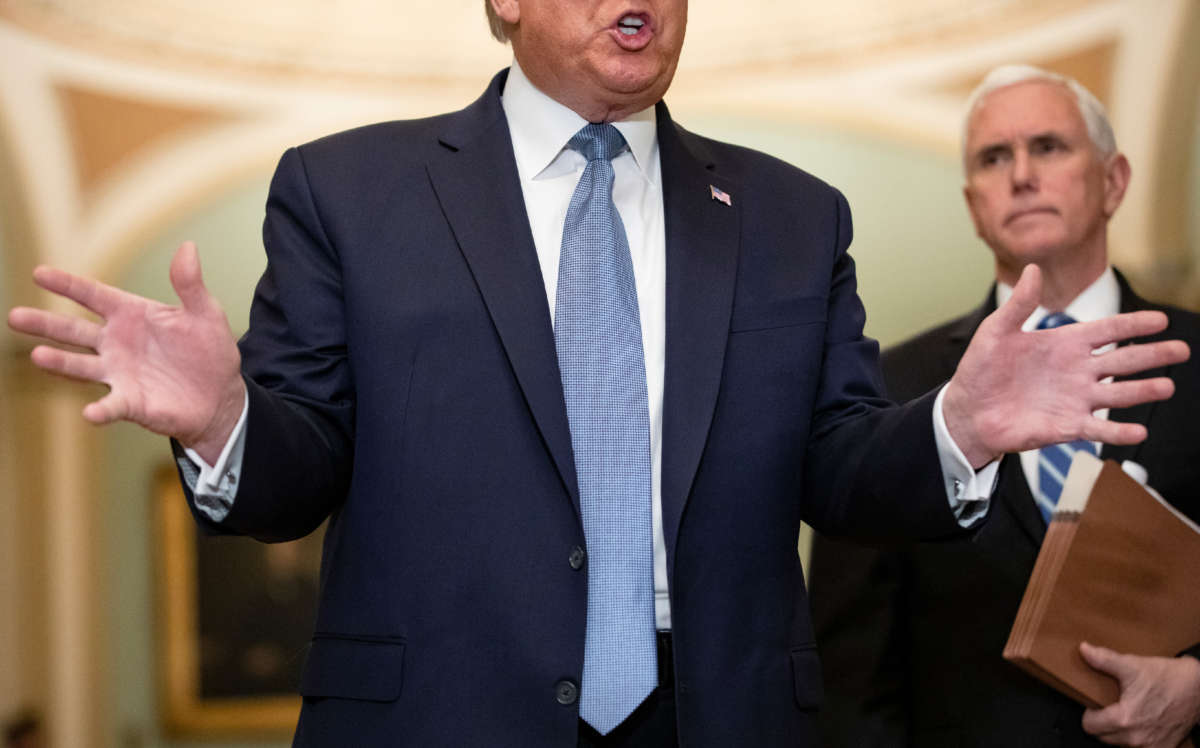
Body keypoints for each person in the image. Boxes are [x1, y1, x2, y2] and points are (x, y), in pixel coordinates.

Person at [7, 6, 1189, 745]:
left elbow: (839, 466)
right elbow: (295, 469)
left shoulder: (789, 214)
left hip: (721, 714)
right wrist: (225, 422)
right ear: (504, 4)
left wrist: (953, 432)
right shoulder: (348, 194)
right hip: (444, 718)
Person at [809, 64, 1200, 748]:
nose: (1021, 174)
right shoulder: (888, 383)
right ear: (972, 203)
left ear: (1113, 181)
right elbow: (850, 669)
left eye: (1049, 146)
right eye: (995, 157)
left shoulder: (1196, 357)